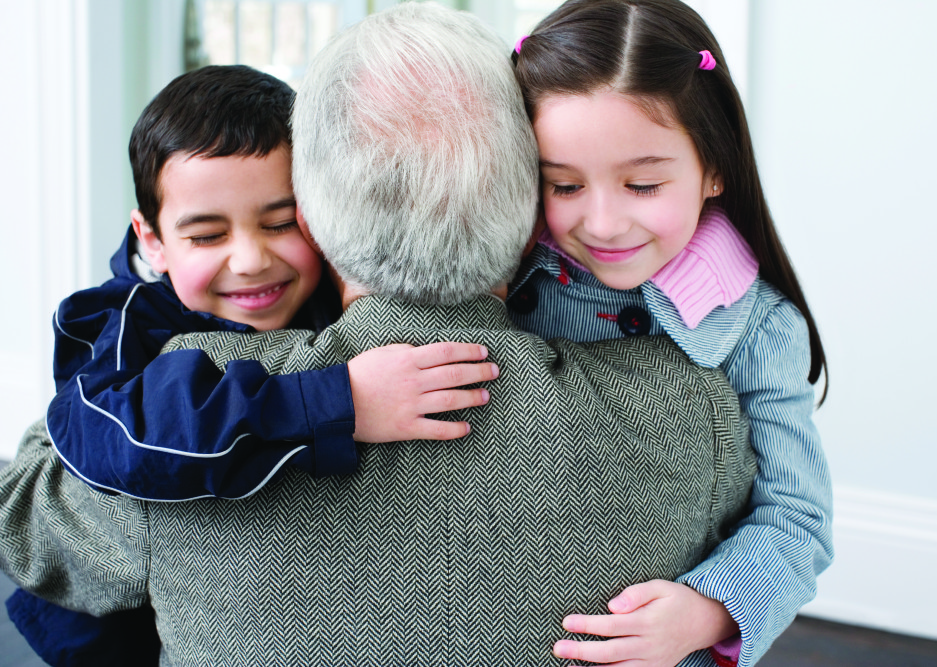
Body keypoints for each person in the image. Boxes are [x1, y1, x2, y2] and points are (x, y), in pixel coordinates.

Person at [0, 3, 756, 664]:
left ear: (311, 221)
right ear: (534, 216)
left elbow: (23, 520)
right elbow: (783, 541)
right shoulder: (694, 409)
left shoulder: (184, 406)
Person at [7, 64, 497, 667]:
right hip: (113, 634)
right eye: (208, 235)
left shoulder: (332, 294)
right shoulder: (127, 321)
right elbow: (114, 434)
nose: (250, 259)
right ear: (153, 241)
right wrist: (337, 401)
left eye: (279, 223)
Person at [507, 1, 834, 665]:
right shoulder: (505, 286)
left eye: (644, 183)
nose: (602, 222)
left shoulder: (759, 327)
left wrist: (705, 610)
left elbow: (798, 517)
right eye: (564, 184)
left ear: (714, 168)